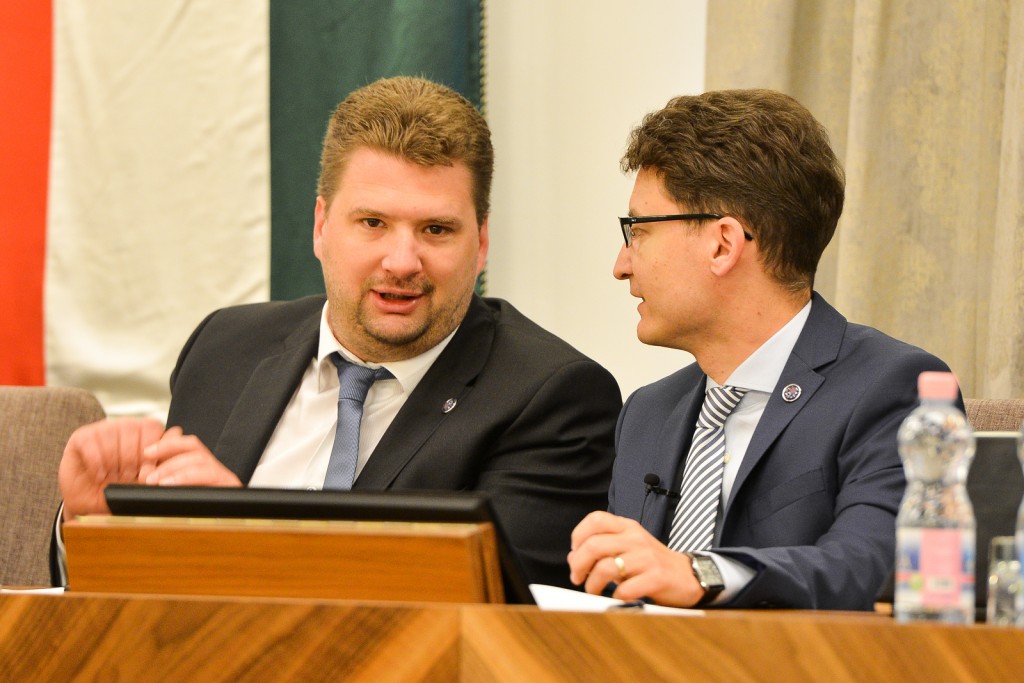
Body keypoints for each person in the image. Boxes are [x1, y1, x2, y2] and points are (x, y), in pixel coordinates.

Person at [55, 76, 622, 589]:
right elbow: (147, 587)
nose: (402, 261)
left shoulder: (551, 396)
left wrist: (241, 533)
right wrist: (92, 525)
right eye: (373, 223)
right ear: (322, 225)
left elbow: (487, 612)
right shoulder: (224, 347)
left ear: (482, 242)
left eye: (436, 229)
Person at [566, 89, 957, 610]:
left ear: (723, 244)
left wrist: (701, 573)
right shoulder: (647, 413)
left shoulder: (892, 387)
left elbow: (872, 564)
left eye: (637, 231)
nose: (621, 265)